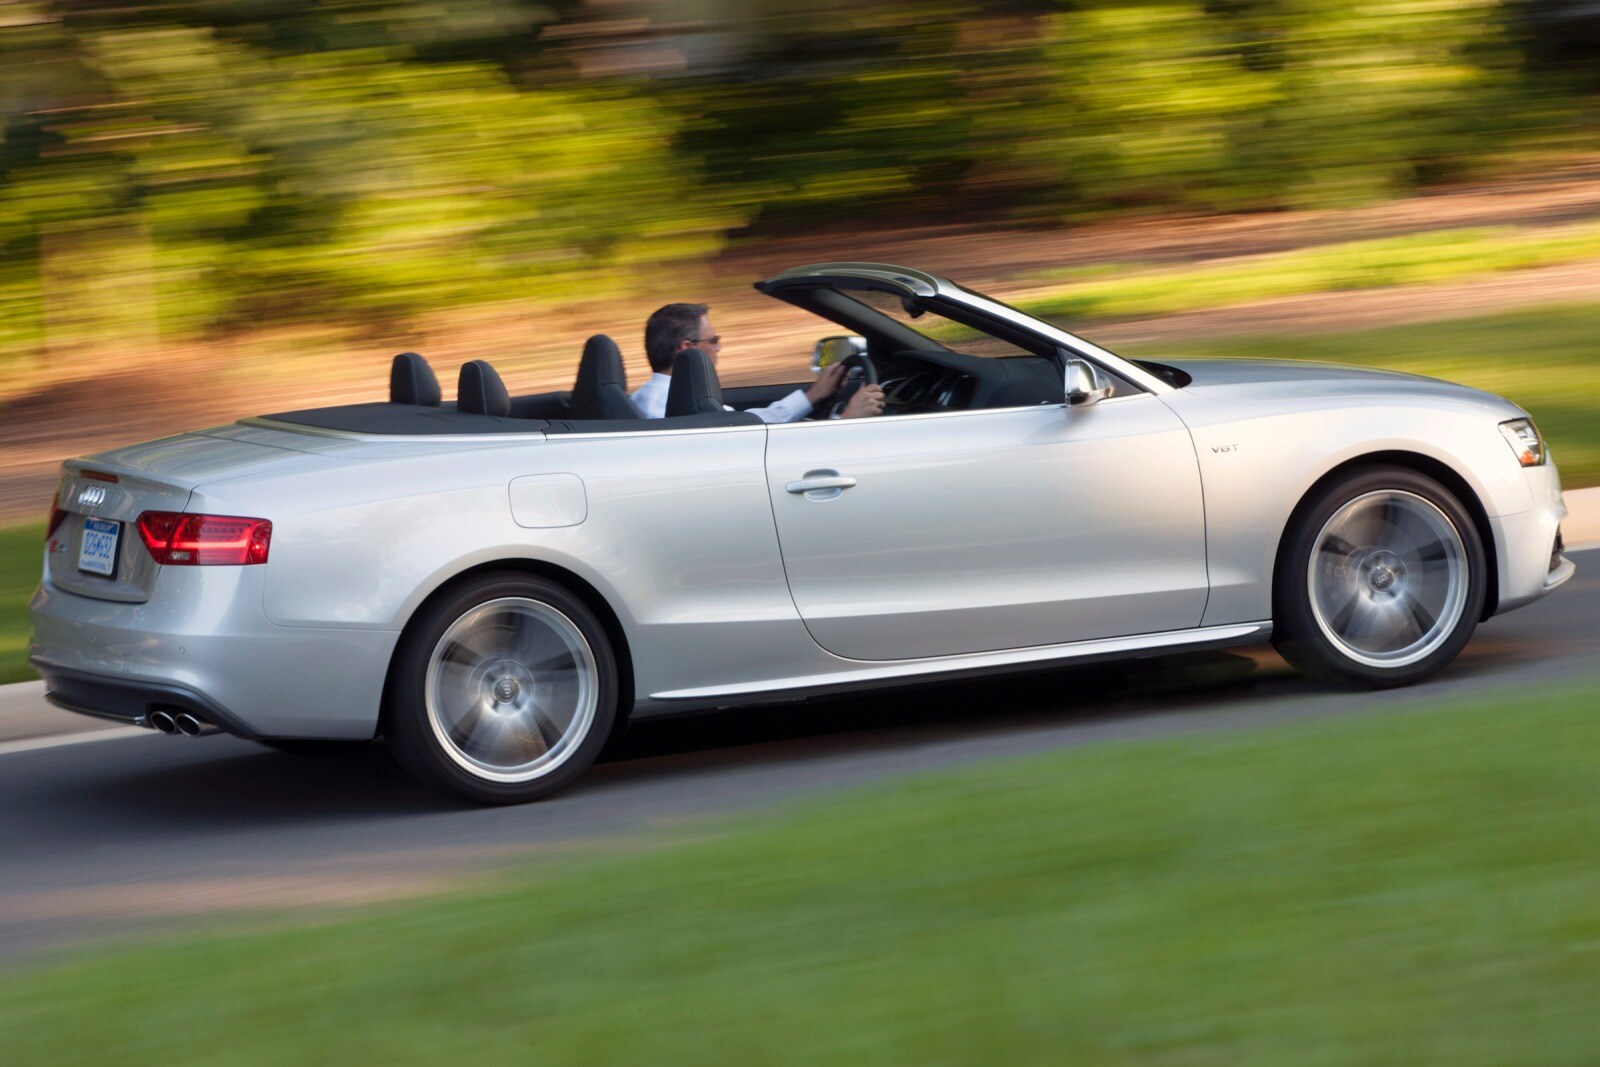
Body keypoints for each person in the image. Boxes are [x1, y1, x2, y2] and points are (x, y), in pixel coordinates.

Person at [631, 303, 884, 421]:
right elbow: (755, 440)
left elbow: (751, 422)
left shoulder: (648, 397)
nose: (719, 347)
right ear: (687, 349)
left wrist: (813, 396)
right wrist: (849, 419)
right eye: (713, 340)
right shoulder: (687, 409)